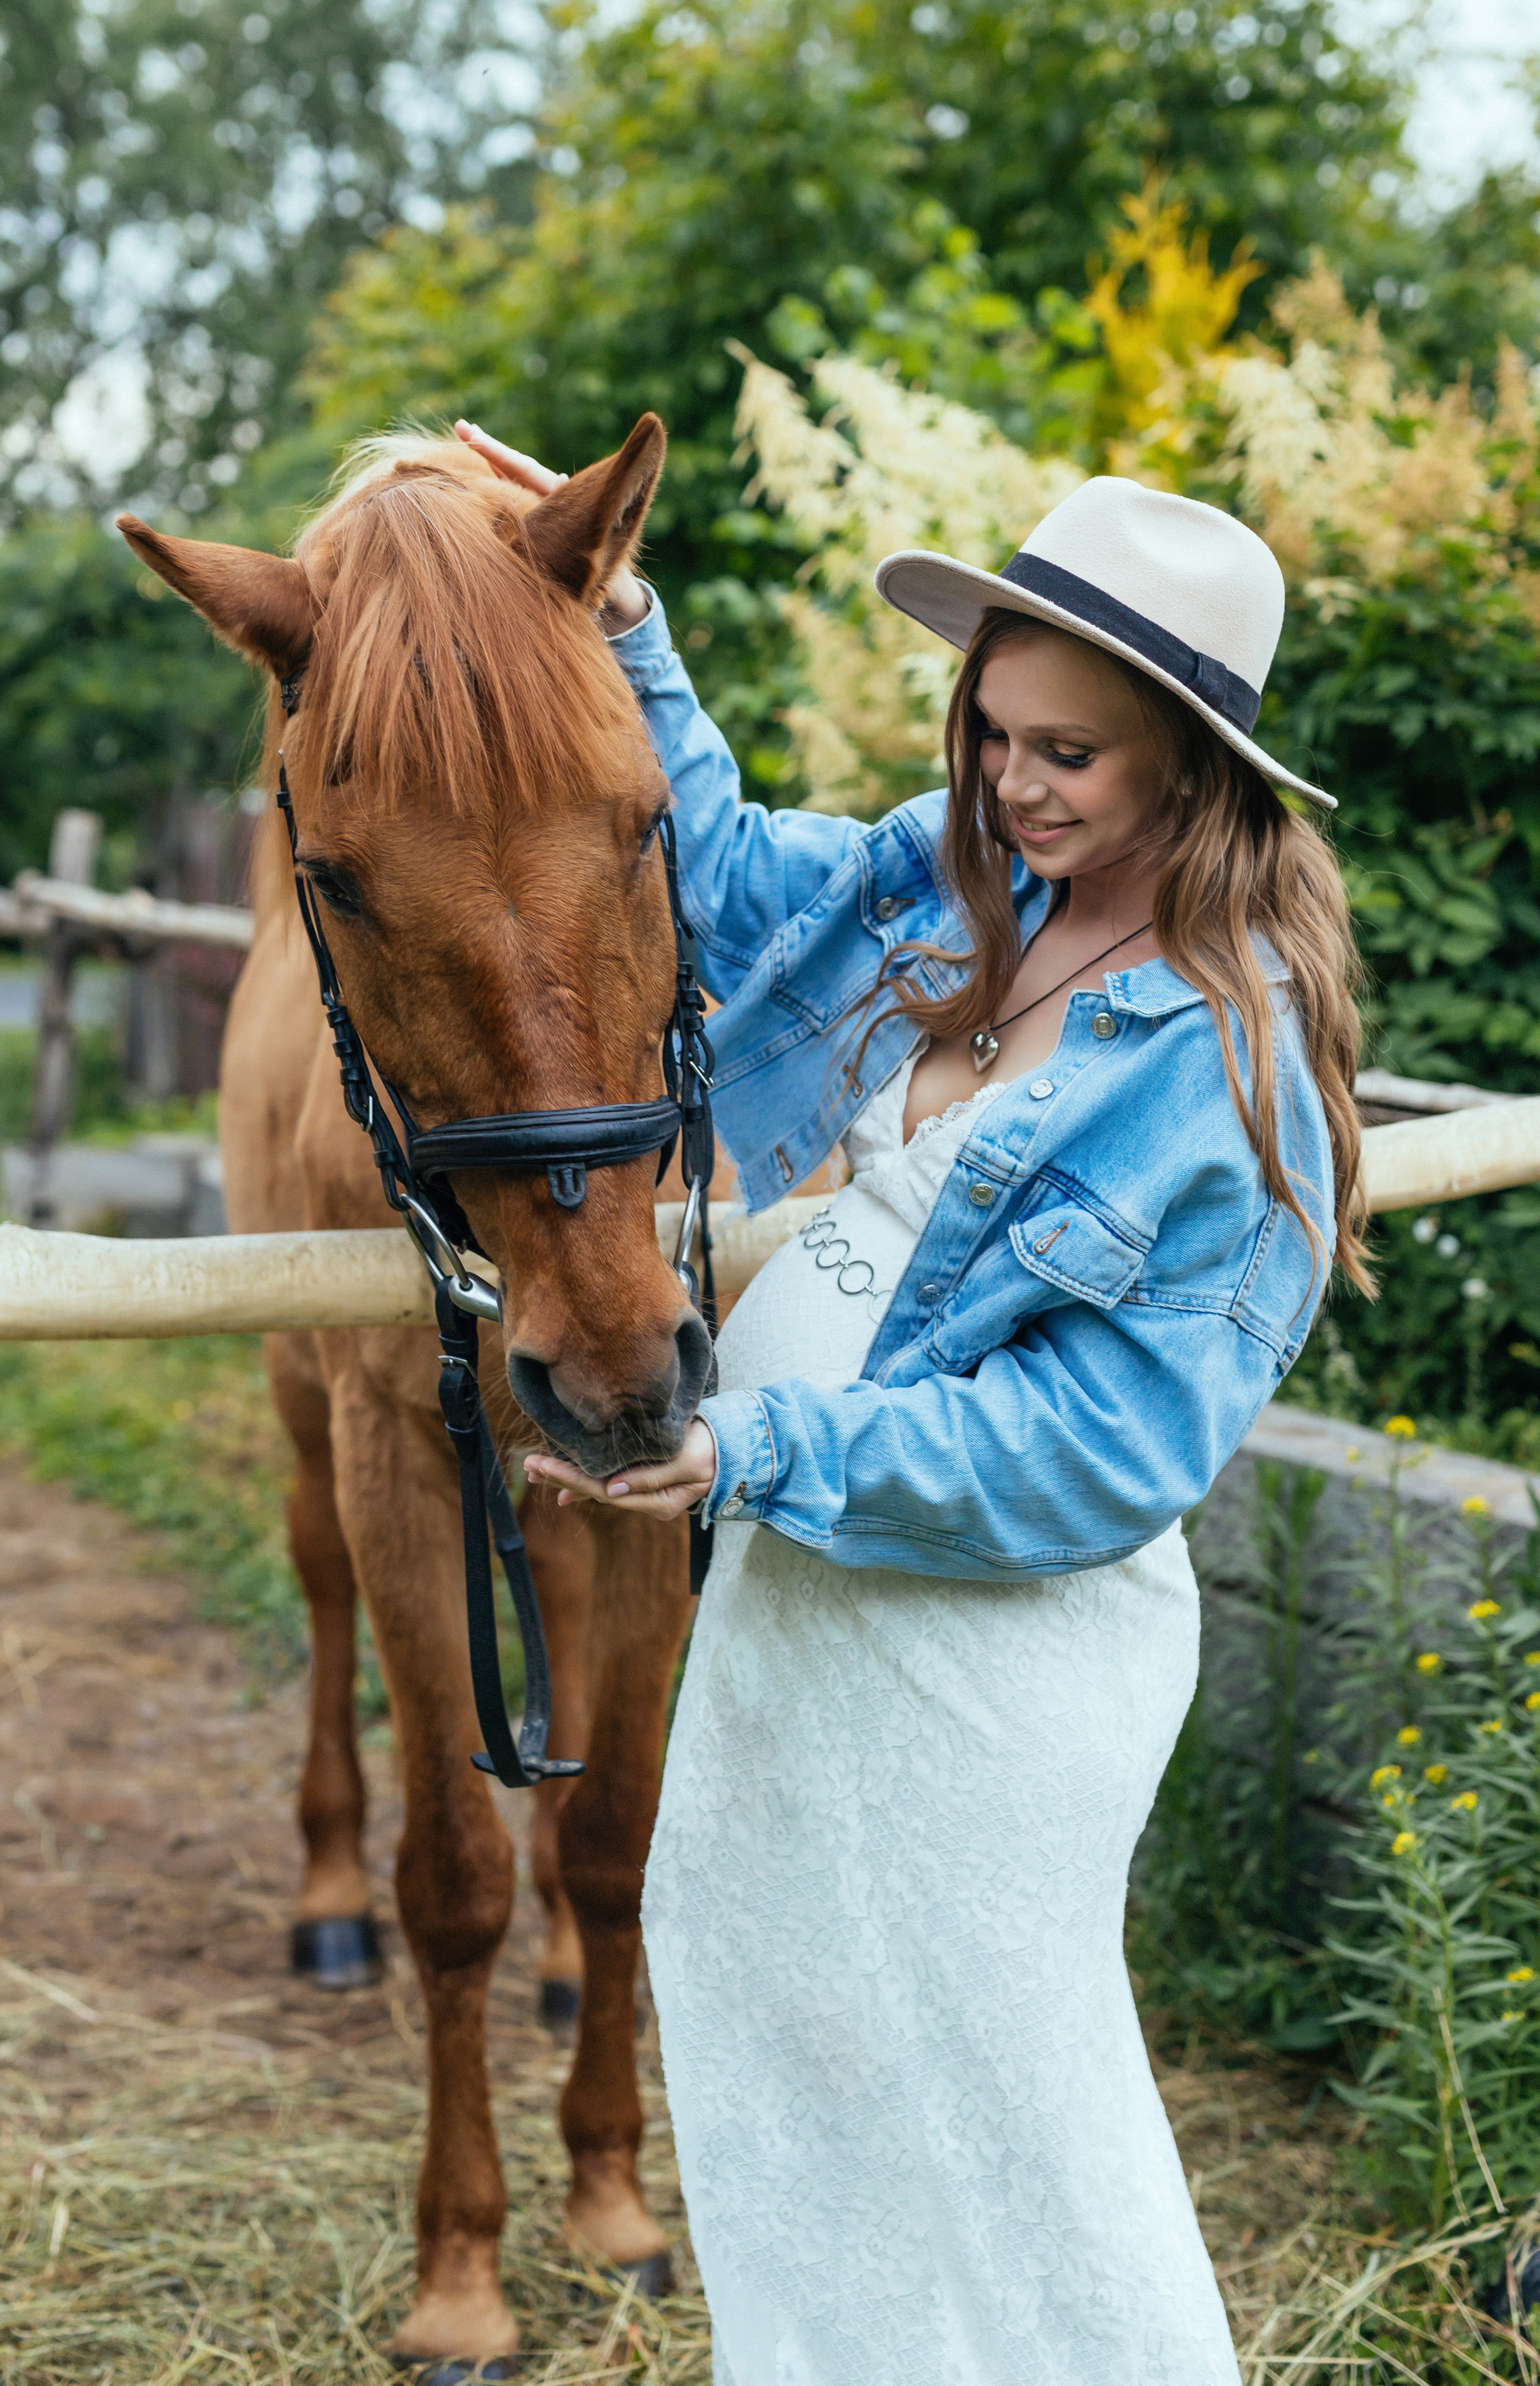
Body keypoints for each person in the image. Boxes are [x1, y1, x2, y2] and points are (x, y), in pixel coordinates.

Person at [460, 422, 1369, 2385]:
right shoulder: (965, 887)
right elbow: (705, 871)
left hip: (993, 1664)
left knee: (1027, 2137)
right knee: (806, 2100)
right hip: (808, 1606)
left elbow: (1104, 1454)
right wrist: (625, 624)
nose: (1010, 783)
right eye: (993, 732)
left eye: (1070, 755)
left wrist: (762, 1446)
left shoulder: (1232, 1058)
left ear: (1190, 771)